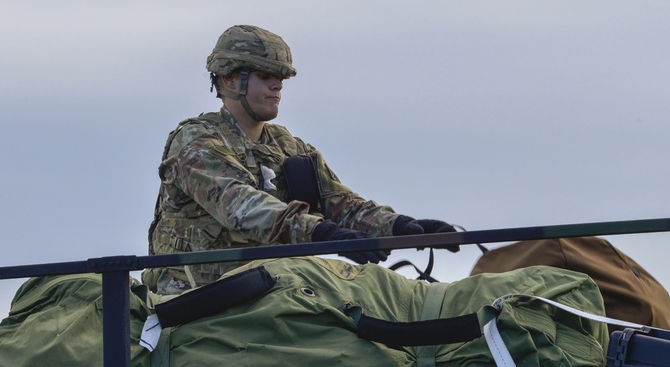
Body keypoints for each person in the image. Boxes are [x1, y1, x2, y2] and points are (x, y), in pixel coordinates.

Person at [142, 24, 457, 295]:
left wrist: (401, 228)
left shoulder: (288, 147)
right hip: (197, 296)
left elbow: (342, 204)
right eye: (265, 76)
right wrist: (321, 234)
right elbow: (242, 207)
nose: (277, 86)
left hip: (273, 289)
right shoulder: (197, 144)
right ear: (228, 79)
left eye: (280, 79)